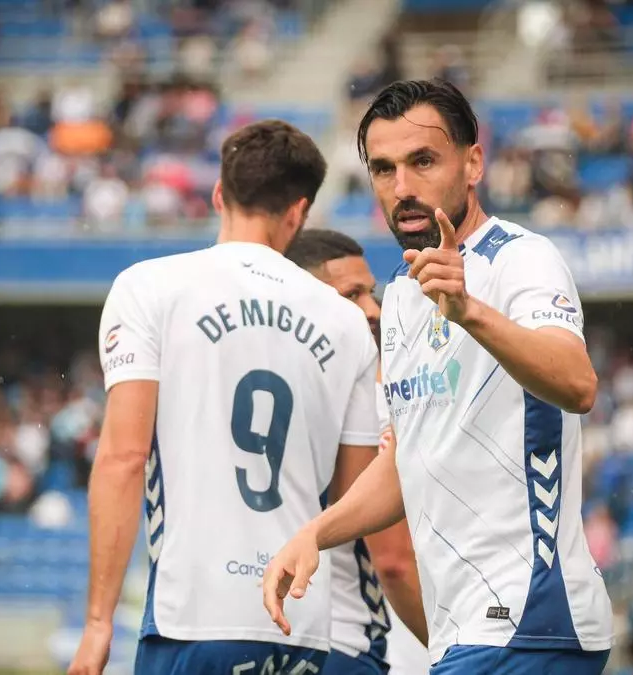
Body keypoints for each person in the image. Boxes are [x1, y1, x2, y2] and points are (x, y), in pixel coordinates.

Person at [263, 79, 614, 674]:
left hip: (528, 616)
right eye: (384, 168)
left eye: (423, 161)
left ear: (473, 163)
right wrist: (314, 534)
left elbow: (578, 384)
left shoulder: (520, 258)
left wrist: (470, 311)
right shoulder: (401, 296)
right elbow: (402, 463)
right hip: (467, 630)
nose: (402, 187)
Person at [68, 120, 382, 675]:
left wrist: (98, 623)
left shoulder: (149, 287)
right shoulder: (347, 321)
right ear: (298, 212)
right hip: (300, 622)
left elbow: (124, 459)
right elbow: (353, 497)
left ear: (219, 194)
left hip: (194, 616)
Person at [285, 228, 430, 675]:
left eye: (371, 293)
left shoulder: (269, 400)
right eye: (352, 295)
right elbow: (394, 561)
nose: (373, 310)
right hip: (347, 640)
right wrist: (452, 651)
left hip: (265, 633)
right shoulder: (374, 404)